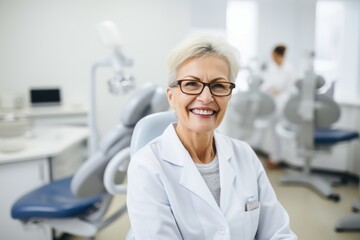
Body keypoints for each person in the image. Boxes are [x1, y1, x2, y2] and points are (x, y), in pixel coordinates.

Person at [127, 34, 297, 240]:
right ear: (171, 97)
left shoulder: (245, 154)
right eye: (191, 84)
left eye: (218, 86)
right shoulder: (147, 166)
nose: (206, 98)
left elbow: (278, 233)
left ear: (229, 95)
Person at [260, 44, 295, 168]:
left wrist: (274, 89)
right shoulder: (272, 67)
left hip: (283, 103)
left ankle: (278, 158)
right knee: (272, 131)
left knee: (279, 130)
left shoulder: (288, 68)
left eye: (274, 56)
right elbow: (268, 84)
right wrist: (268, 88)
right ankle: (275, 157)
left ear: (279, 55)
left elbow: (281, 87)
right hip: (272, 102)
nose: (273, 59)